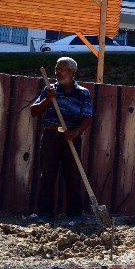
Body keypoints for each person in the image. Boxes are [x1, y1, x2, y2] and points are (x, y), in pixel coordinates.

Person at [30, 57, 93, 224]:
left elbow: (88, 116)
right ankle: (45, 213)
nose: (57, 72)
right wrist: (48, 99)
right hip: (51, 136)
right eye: (56, 68)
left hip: (71, 136)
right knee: (47, 175)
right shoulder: (49, 90)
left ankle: (75, 214)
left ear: (72, 72)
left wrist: (76, 132)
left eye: (61, 69)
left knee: (73, 176)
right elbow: (34, 111)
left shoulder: (83, 93)